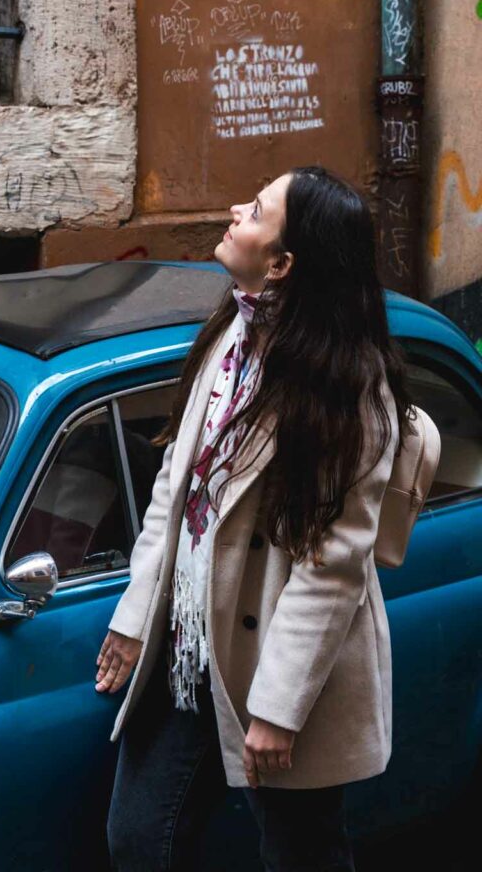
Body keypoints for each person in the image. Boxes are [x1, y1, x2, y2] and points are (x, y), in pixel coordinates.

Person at [95, 165, 414, 871]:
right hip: (190, 645)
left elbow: (332, 564)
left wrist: (277, 706)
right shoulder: (230, 335)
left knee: (302, 852)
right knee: (141, 836)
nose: (236, 207)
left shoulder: (348, 392)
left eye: (258, 208)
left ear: (282, 262)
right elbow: (175, 488)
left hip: (277, 655)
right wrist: (133, 612)